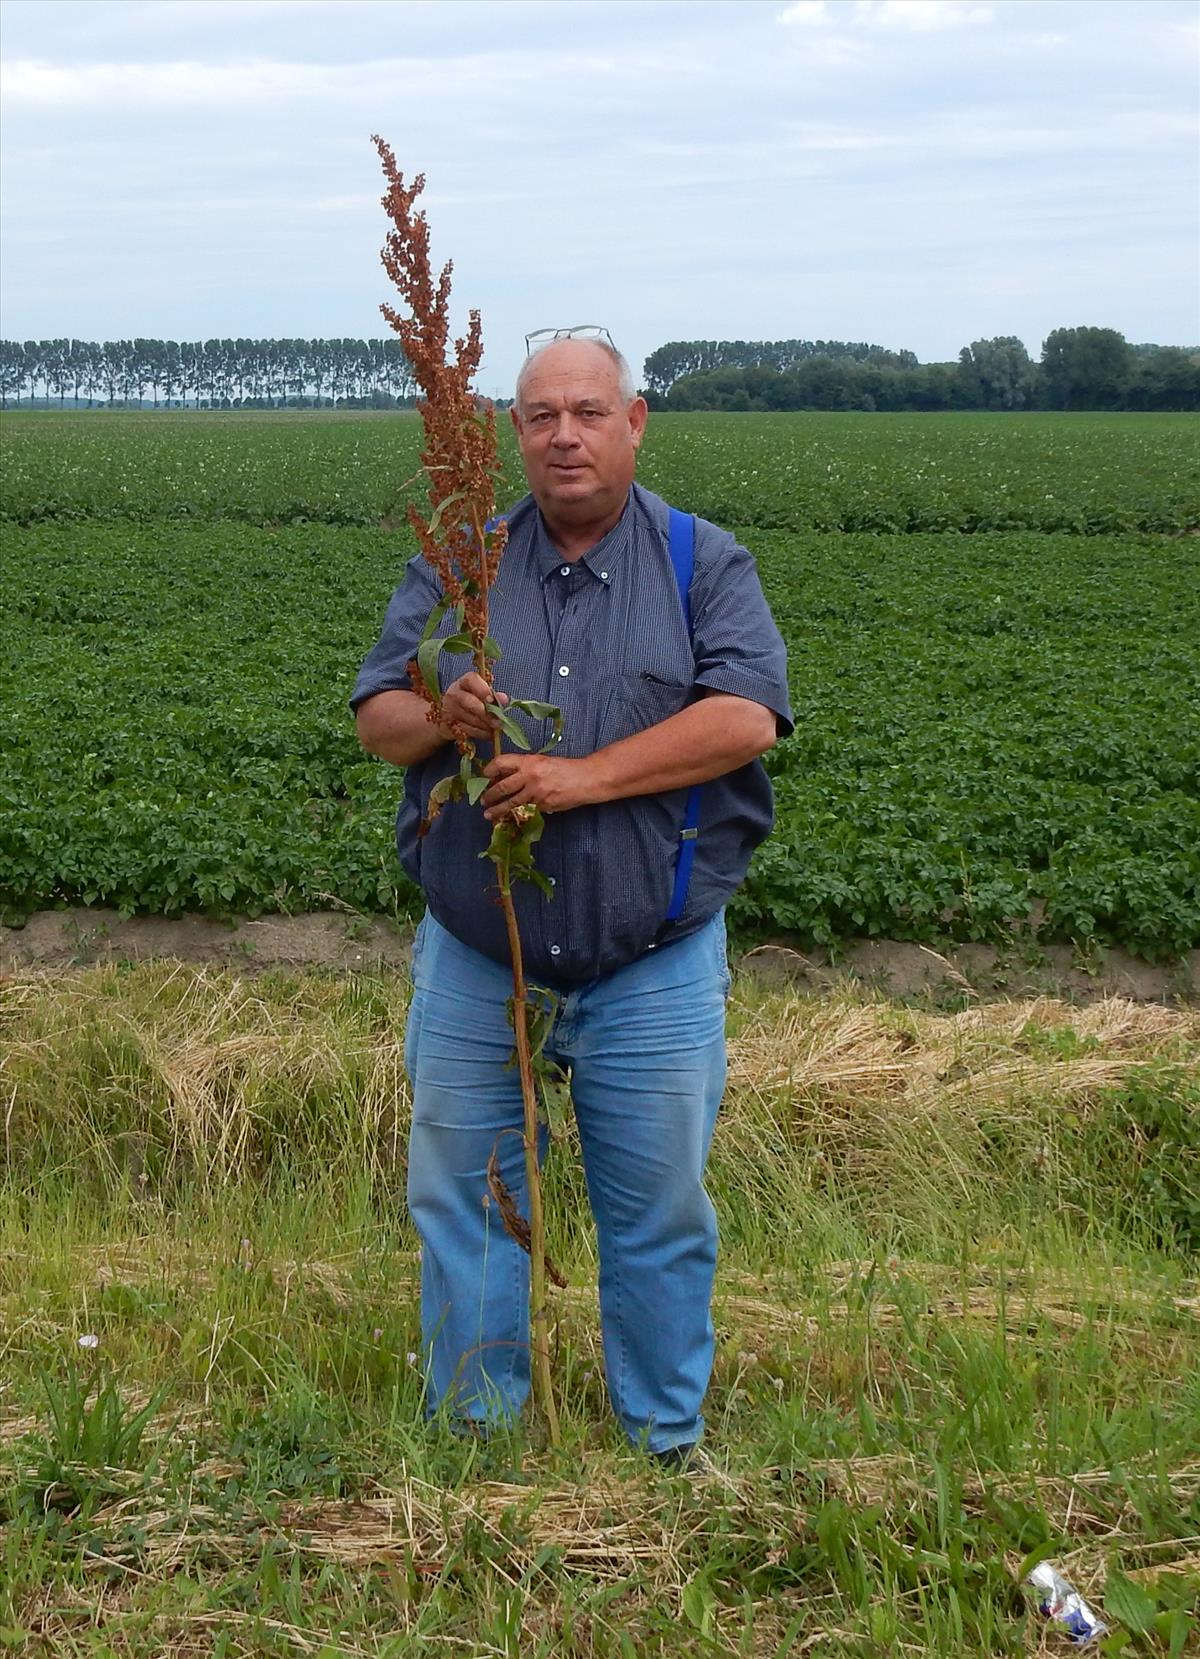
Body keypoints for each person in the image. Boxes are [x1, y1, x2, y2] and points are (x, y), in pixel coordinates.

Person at [352, 330, 792, 1462]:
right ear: (511, 433)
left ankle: (662, 1440)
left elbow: (746, 715)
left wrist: (582, 778)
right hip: (475, 951)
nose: (565, 435)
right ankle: (478, 1436)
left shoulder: (703, 562)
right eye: (542, 414)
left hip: (651, 954)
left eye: (589, 412)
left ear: (635, 422)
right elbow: (375, 720)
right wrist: (441, 717)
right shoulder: (458, 568)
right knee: (464, 1203)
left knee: (657, 1216)